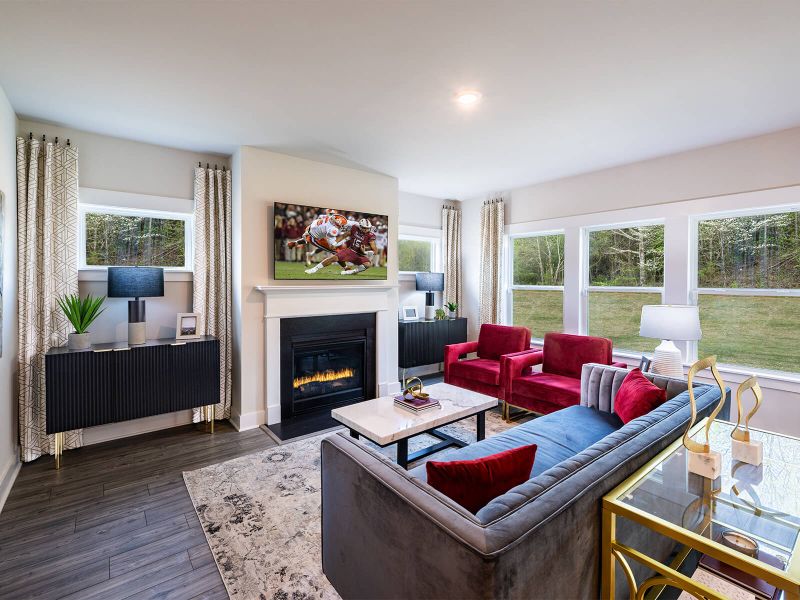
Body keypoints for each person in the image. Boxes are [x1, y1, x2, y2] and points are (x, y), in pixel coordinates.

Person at [304, 218, 377, 275]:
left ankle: (351, 272)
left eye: (367, 228)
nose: (366, 230)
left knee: (368, 264)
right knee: (333, 258)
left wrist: (365, 250)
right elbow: (344, 235)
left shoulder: (371, 235)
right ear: (360, 226)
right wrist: (334, 243)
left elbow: (375, 250)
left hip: (360, 254)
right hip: (350, 251)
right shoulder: (355, 228)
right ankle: (314, 269)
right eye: (364, 228)